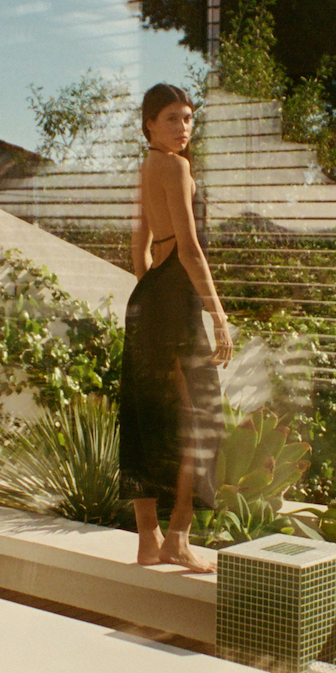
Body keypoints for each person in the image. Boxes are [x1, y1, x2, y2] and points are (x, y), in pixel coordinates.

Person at [119, 83, 231, 570]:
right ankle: (178, 538)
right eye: (171, 118)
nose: (183, 127)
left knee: (147, 417)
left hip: (150, 298)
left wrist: (151, 291)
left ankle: (150, 539)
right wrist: (218, 315)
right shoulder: (177, 167)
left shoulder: (147, 167)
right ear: (149, 123)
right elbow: (189, 249)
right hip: (177, 298)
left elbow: (139, 244)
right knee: (202, 419)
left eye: (188, 118)